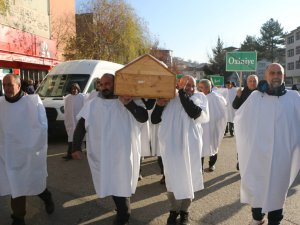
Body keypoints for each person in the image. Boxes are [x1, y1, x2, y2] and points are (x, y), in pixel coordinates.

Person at [72, 73, 148, 225]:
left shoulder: (129, 99)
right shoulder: (93, 103)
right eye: (102, 84)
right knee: (111, 182)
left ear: (117, 84)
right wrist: (76, 147)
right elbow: (81, 126)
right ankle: (122, 210)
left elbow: (143, 117)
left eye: (108, 83)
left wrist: (129, 104)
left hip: (123, 154)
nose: (104, 87)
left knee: (121, 182)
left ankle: (123, 215)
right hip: (103, 154)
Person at [234, 63, 300, 225]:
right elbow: (241, 123)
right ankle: (257, 219)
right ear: (266, 76)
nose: (276, 75)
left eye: (279, 73)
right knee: (258, 188)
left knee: (278, 191)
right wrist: (242, 153)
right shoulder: (256, 97)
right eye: (272, 73)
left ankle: (275, 221)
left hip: (283, 156)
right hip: (258, 155)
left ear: (283, 76)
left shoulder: (293, 97)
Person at [151, 75, 209, 225]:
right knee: (172, 178)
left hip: (191, 147)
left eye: (191, 85)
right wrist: (159, 105)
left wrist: (181, 93)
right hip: (171, 147)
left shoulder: (199, 97)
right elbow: (155, 120)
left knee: (188, 178)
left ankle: (184, 211)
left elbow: (194, 113)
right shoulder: (169, 98)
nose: (188, 88)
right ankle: (174, 209)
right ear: (178, 84)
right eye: (185, 85)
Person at [0, 74, 54, 225]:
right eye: (4, 85)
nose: (7, 88)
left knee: (34, 182)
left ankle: (47, 197)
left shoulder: (32, 102)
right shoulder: (0, 104)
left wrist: (34, 146)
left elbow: (43, 127)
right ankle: (18, 218)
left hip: (29, 153)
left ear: (18, 85)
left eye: (10, 85)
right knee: (16, 186)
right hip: (9, 155)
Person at [198, 79, 227, 172]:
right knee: (200, 146)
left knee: (213, 145)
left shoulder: (216, 97)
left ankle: (212, 164)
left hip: (213, 126)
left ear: (209, 87)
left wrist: (215, 120)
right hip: (201, 127)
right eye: (201, 87)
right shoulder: (198, 96)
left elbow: (223, 111)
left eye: (205, 87)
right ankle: (200, 168)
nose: (203, 89)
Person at [232, 74, 258, 170]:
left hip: (257, 124)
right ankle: (241, 161)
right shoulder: (242, 92)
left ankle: (252, 162)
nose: (252, 83)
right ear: (247, 83)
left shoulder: (261, 93)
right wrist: (238, 96)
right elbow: (235, 106)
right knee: (242, 142)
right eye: (250, 81)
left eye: (254, 81)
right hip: (244, 124)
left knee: (255, 144)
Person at [62, 83, 85, 160]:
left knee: (80, 137)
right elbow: (66, 109)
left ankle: (74, 153)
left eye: (76, 89)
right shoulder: (68, 98)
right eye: (73, 89)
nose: (74, 90)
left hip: (79, 120)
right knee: (71, 137)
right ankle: (70, 154)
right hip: (71, 121)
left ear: (78, 89)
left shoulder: (82, 97)